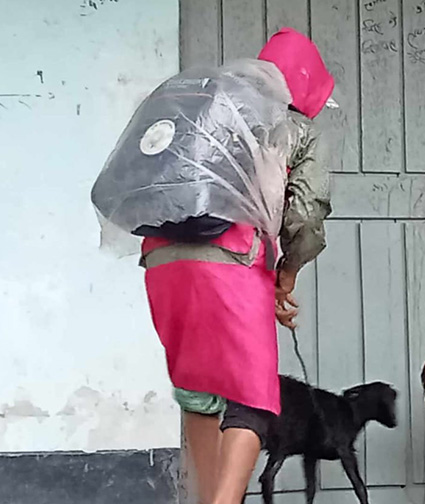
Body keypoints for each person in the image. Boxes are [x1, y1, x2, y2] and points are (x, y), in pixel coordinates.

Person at [141, 28, 334, 504]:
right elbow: (305, 217)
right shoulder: (296, 129)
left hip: (161, 260)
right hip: (231, 260)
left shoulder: (209, 115)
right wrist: (286, 273)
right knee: (251, 394)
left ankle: (207, 497)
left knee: (199, 388)